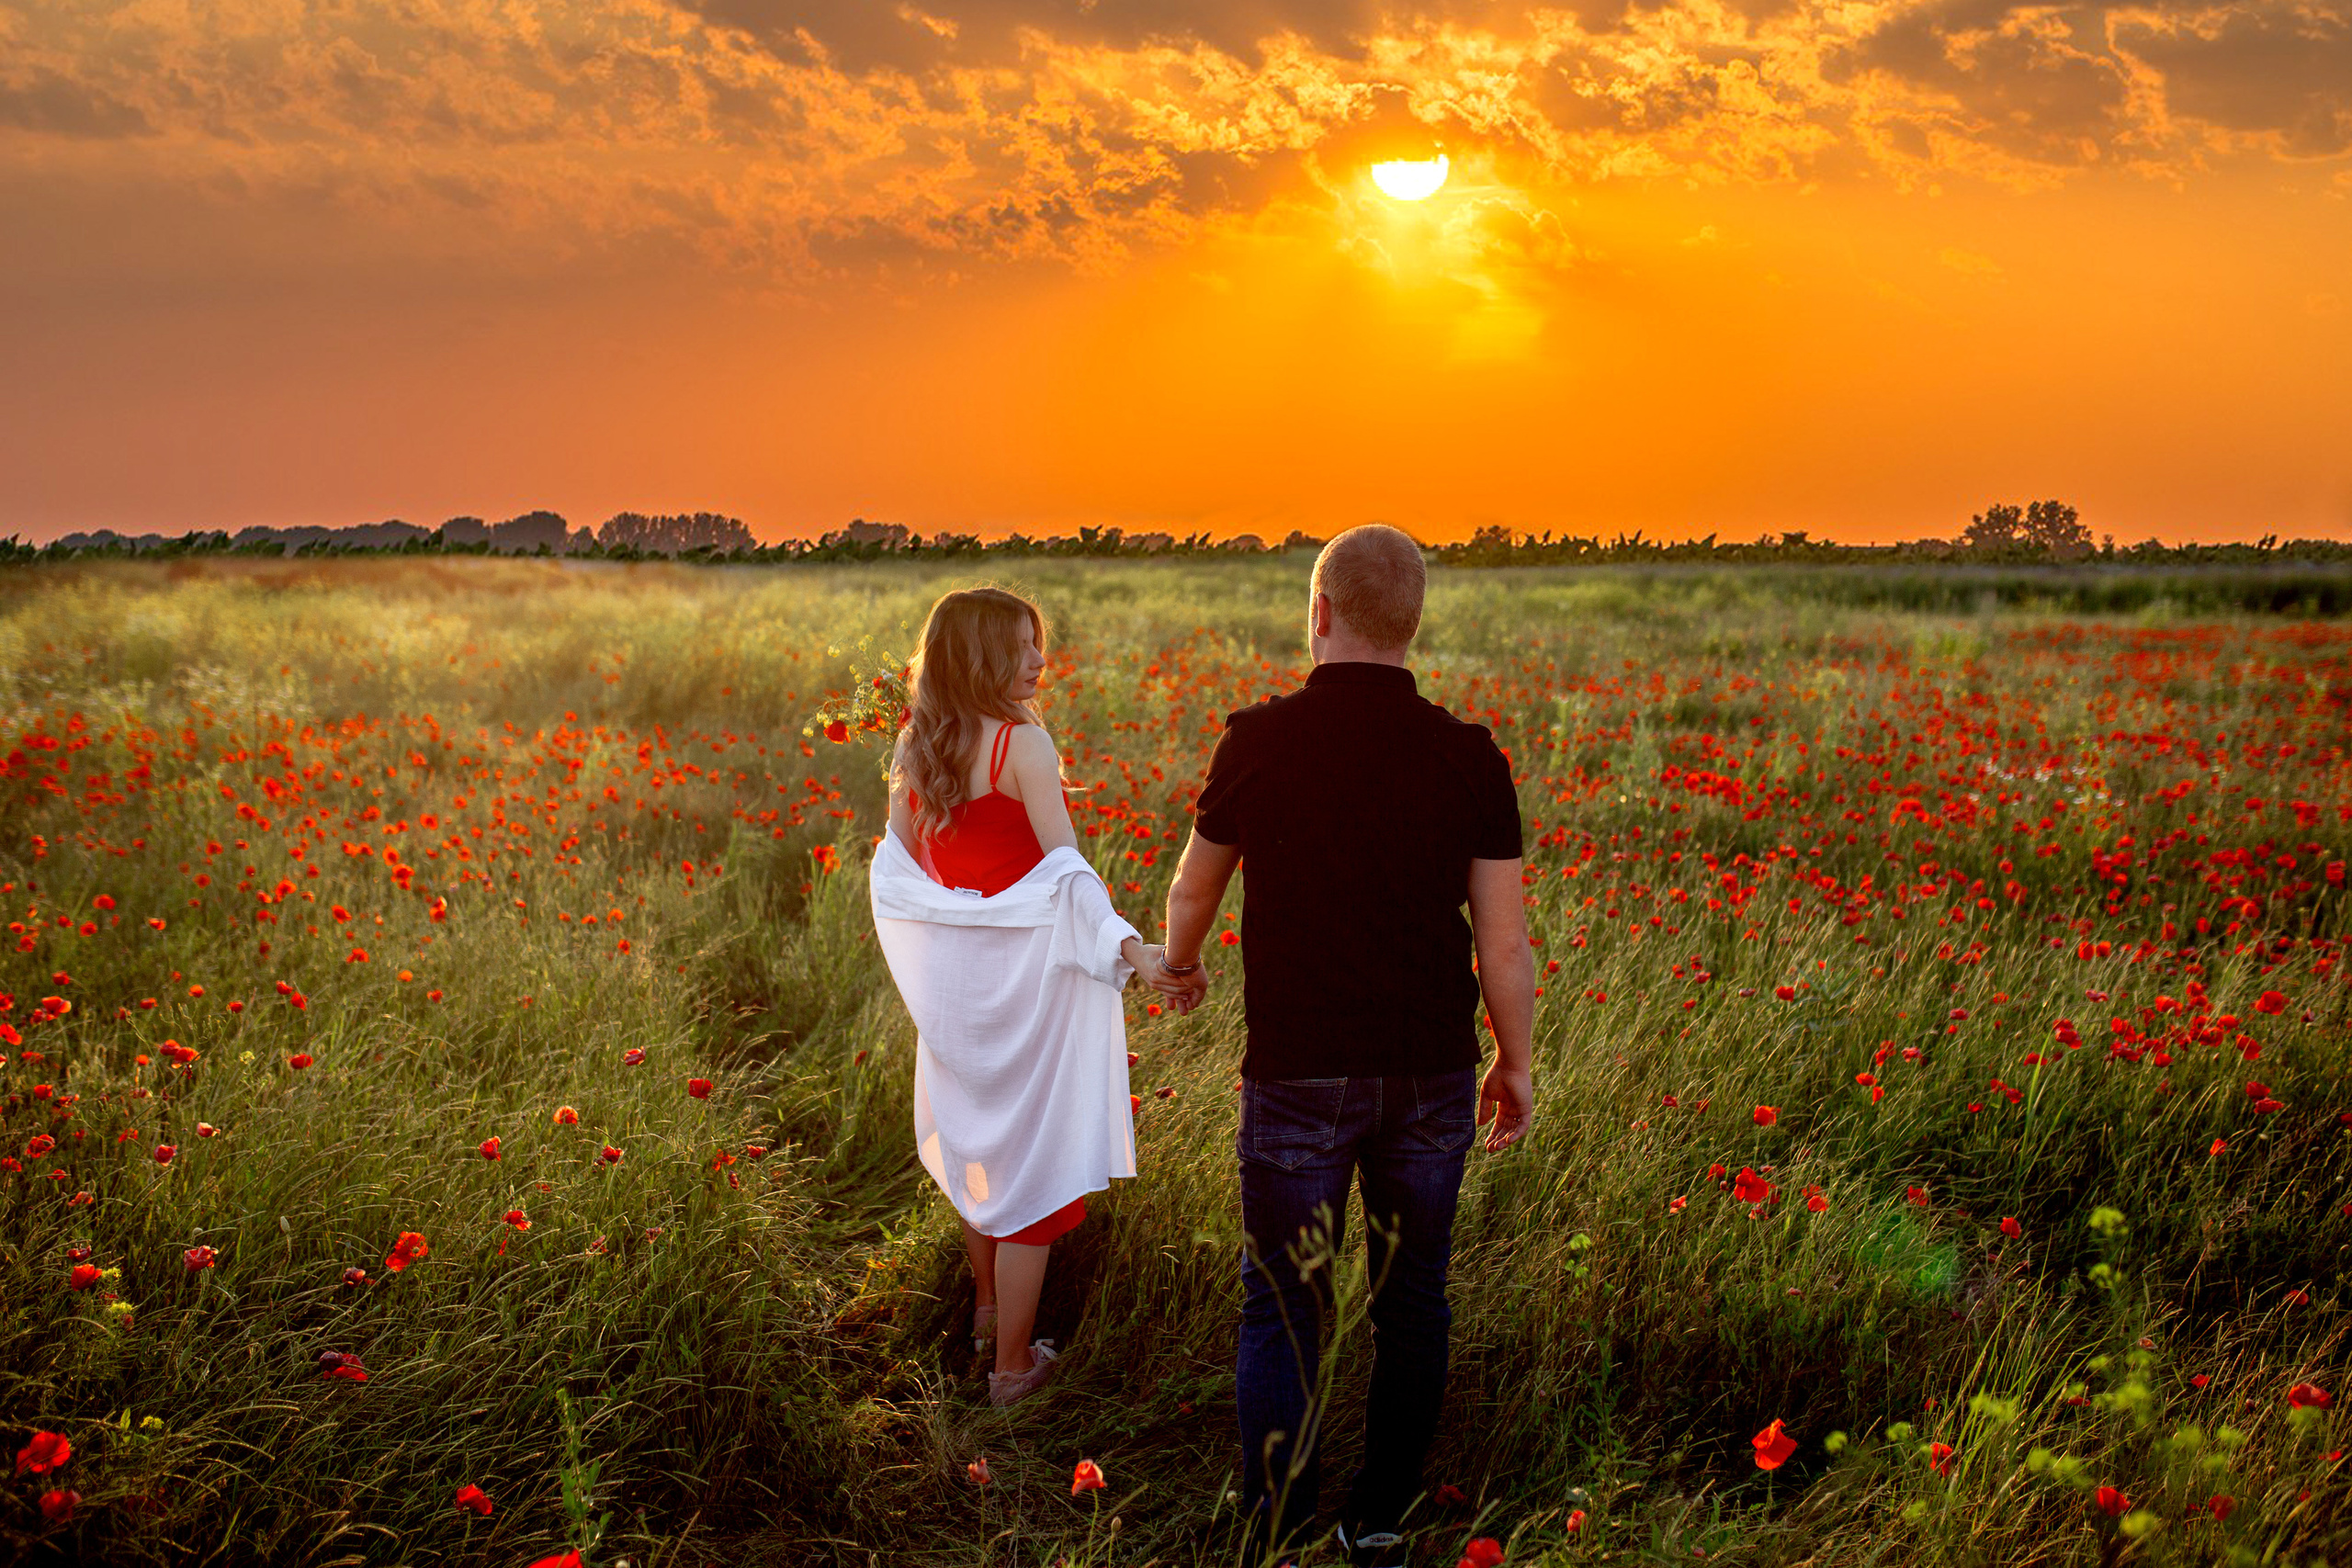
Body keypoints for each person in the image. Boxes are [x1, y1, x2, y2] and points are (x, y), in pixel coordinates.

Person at [1156, 525, 1537, 1566]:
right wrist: (1515, 1062)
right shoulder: (1468, 754)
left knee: (1283, 1303)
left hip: (1297, 1073)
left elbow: (1196, 884)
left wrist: (1178, 965)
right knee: (1413, 1299)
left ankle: (1276, 1525)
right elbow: (1502, 941)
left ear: (1319, 613)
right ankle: (1377, 1519)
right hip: (1428, 1074)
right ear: (1411, 623)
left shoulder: (1260, 738)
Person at [868, 586, 1179, 1406]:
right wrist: (1132, 952)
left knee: (980, 1152)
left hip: (955, 993)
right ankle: (1012, 1369)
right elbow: (1067, 875)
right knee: (1033, 1180)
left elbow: (895, 873)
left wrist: (949, 939)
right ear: (978, 659)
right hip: (1026, 990)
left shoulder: (915, 748)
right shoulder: (1021, 749)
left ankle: (986, 1312)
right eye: (1022, 646)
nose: (1041, 659)